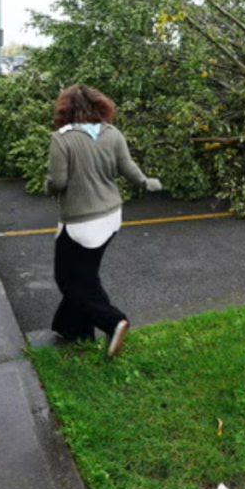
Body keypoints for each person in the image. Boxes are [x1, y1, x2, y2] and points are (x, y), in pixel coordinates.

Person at [45, 85, 162, 355]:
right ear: (100, 106)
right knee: (85, 276)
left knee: (68, 280)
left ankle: (114, 321)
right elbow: (128, 168)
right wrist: (145, 182)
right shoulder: (113, 133)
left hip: (81, 221)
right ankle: (73, 331)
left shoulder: (62, 138)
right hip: (111, 217)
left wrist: (47, 187)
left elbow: (58, 181)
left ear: (65, 109)